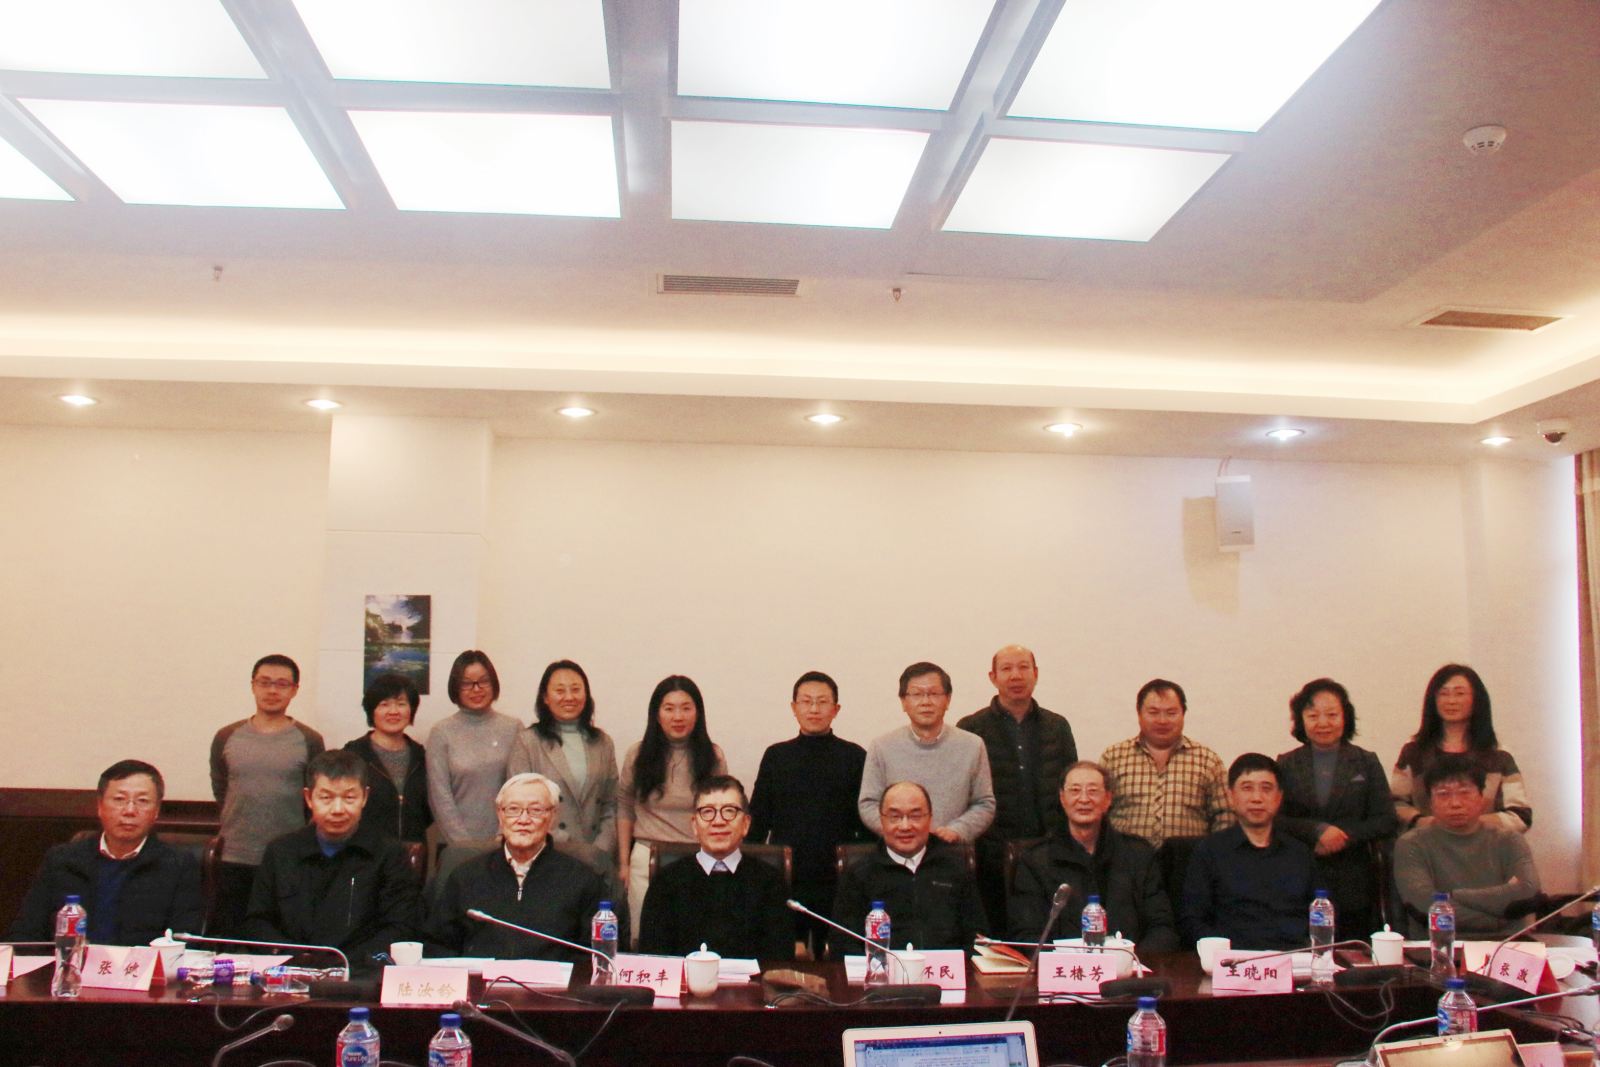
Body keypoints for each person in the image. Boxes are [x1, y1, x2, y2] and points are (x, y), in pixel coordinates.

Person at [244, 750, 421, 969]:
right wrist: (296, 958)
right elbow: (257, 922)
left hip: (359, 972)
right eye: (326, 798)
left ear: (365, 797)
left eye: (349, 798)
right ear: (309, 798)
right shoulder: (281, 851)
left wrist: (346, 963)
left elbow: (400, 926)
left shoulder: (389, 854)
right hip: (291, 970)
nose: (337, 810)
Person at [9, 760, 203, 944]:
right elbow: (26, 933)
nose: (129, 810)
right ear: (100, 806)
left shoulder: (178, 865)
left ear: (157, 810)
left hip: (143, 967)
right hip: (68, 965)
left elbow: (184, 940)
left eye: (143, 801)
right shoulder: (62, 860)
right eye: (119, 799)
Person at [429, 772, 613, 962]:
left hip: (551, 980)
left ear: (552, 817)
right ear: (500, 815)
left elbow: (597, 955)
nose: (523, 819)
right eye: (513, 809)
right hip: (482, 980)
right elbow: (438, 947)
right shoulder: (466, 877)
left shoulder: (582, 880)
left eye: (535, 810)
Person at [958, 644, 1077, 934]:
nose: (1016, 675)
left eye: (1023, 667)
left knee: (1046, 929)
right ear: (993, 677)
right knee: (997, 934)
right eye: (1007, 668)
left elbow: (1070, 787)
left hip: (1047, 850)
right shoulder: (972, 728)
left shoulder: (1057, 726)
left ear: (1035, 674)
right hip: (991, 855)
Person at [748, 670, 869, 953]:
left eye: (822, 701)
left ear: (836, 709)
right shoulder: (776, 756)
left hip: (838, 877)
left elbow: (865, 825)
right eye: (806, 701)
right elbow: (758, 820)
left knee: (838, 955)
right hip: (786, 876)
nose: (814, 709)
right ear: (794, 707)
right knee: (786, 953)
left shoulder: (855, 757)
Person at [210, 654, 326, 936]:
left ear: (294, 690)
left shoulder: (310, 739)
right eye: (265, 682)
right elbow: (222, 788)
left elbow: (315, 797)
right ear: (253, 685)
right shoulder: (226, 736)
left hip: (288, 858)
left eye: (282, 684)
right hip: (235, 855)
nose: (272, 690)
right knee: (231, 937)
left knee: (283, 936)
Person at [1009, 761, 1178, 954]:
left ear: (1108, 799)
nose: (1084, 799)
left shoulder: (1138, 855)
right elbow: (1026, 935)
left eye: (1093, 791)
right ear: (1062, 798)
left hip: (1128, 967)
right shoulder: (1035, 860)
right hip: (1064, 969)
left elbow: (1162, 928)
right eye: (1075, 790)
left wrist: (1132, 960)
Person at [1275, 678, 1397, 939]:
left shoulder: (1366, 762)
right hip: (1302, 871)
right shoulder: (1287, 764)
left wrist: (1343, 837)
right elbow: (1277, 818)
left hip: (1354, 874)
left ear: (1345, 717)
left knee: (1352, 949)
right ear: (1301, 720)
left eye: (1331, 715)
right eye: (1313, 715)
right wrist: (1316, 831)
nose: (1323, 723)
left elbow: (1385, 819)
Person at [616, 675, 727, 943]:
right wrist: (624, 863)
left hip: (698, 857)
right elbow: (624, 806)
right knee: (645, 937)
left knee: (696, 936)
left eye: (686, 708)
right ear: (657, 714)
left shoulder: (713, 756)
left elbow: (723, 810)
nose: (678, 716)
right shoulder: (638, 755)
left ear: (698, 713)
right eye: (669, 708)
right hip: (647, 856)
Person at [639, 775, 793, 959]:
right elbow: (654, 958)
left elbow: (779, 961)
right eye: (707, 812)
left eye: (729, 811)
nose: (718, 821)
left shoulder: (771, 883)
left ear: (746, 824)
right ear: (694, 825)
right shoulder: (666, 882)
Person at [831, 781, 988, 956]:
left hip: (947, 971)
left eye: (915, 816)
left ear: (930, 818)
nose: (905, 826)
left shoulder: (955, 869)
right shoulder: (859, 874)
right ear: (881, 820)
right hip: (883, 971)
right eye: (895, 817)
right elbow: (843, 945)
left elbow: (978, 940)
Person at [1393, 754, 1539, 937]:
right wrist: (1497, 920)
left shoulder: (1510, 840)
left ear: (1481, 798)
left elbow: (1527, 894)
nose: (1455, 803)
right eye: (1443, 794)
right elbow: (1425, 906)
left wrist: (1456, 895)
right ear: (1430, 802)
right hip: (1439, 947)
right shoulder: (1411, 844)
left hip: (1507, 945)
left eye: (1465, 793)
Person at [1180, 753, 1313, 950]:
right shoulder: (1210, 851)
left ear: (1279, 797)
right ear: (1231, 796)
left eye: (1266, 789)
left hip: (1294, 958)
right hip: (1232, 960)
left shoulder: (1300, 854)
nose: (1257, 798)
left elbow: (1322, 915)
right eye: (1247, 788)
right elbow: (1192, 919)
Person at [858, 662, 995, 845]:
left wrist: (957, 830)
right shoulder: (882, 747)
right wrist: (899, 830)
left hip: (952, 849)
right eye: (916, 694)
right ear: (903, 702)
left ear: (948, 699)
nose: (926, 702)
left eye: (934, 693)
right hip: (897, 850)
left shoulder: (972, 745)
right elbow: (868, 803)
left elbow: (984, 803)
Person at [507, 659, 618, 874]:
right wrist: (570, 846)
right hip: (546, 855)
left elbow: (611, 804)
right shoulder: (528, 742)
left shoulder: (603, 742)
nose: (569, 697)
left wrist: (600, 850)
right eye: (560, 690)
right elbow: (521, 806)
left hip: (596, 858)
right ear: (545, 698)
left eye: (576, 689)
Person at [1390, 664, 1531, 833]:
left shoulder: (1499, 755)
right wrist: (1425, 823)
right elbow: (1395, 804)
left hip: (1484, 844)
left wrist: (1470, 823)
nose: (1451, 701)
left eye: (1460, 693)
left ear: (1477, 700)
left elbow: (1520, 816)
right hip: (1427, 843)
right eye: (1444, 693)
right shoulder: (1414, 751)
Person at [1100, 679, 1231, 850]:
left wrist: (1213, 856)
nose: (1162, 721)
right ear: (1139, 714)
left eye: (1171, 713)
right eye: (1153, 712)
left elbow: (1225, 816)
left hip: (1189, 861)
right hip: (1125, 861)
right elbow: (1098, 811)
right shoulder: (1113, 758)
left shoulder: (1208, 761)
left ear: (1183, 714)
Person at [426, 650, 521, 882]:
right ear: (455, 687)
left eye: (483, 681)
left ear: (493, 683)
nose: (476, 689)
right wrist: (465, 847)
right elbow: (439, 796)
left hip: (507, 846)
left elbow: (518, 789)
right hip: (455, 848)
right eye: (467, 683)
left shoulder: (513, 728)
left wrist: (503, 838)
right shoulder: (441, 732)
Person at [342, 673, 432, 843]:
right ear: (372, 710)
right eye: (384, 704)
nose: (393, 711)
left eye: (401, 704)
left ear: (411, 709)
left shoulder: (421, 756)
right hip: (363, 849)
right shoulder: (353, 755)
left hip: (411, 850)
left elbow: (430, 808)